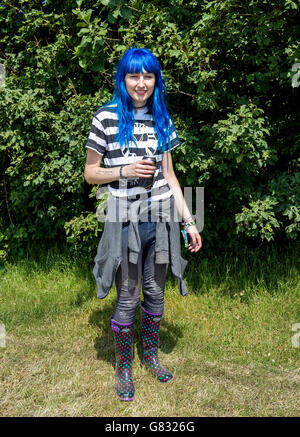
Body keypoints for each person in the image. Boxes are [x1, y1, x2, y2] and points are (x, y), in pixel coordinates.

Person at [84, 47, 202, 402]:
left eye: (148, 76)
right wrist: (123, 171)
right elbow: (90, 174)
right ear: (123, 79)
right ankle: (124, 367)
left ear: (155, 80)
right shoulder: (105, 118)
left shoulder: (162, 117)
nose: (141, 83)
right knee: (128, 297)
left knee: (154, 291)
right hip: (125, 220)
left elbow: (170, 175)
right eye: (133, 76)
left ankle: (149, 355)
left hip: (163, 218)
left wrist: (190, 220)